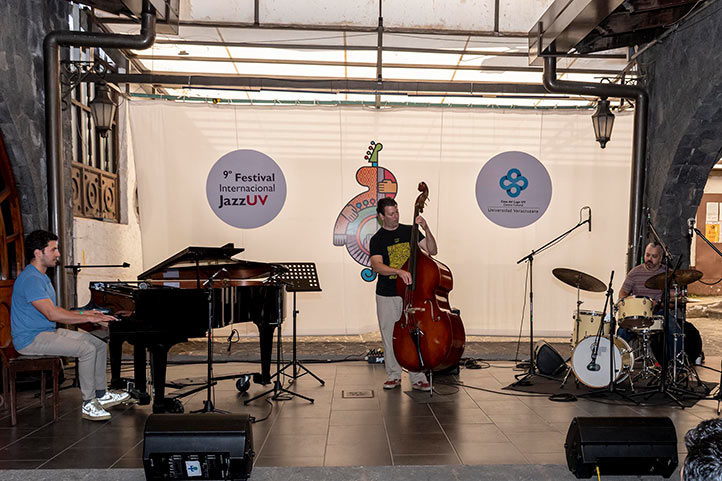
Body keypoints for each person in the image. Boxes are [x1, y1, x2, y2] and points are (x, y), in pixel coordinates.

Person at [10, 230, 129, 421]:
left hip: (45, 332)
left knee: (98, 343)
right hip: (30, 339)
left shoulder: (41, 277)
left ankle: (101, 394)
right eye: (53, 249)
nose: (58, 254)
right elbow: (52, 313)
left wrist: (87, 313)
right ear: (38, 253)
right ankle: (89, 403)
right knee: (87, 348)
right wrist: (87, 318)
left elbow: (53, 309)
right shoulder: (31, 279)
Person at [369, 197, 437, 392]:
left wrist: (426, 228)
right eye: (391, 214)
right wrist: (398, 271)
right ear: (382, 216)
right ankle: (393, 375)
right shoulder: (378, 239)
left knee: (416, 335)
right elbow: (377, 266)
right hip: (388, 293)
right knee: (390, 335)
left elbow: (433, 250)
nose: (395, 216)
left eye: (397, 212)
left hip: (413, 293)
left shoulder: (410, 231)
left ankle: (418, 376)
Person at [616, 242, 683, 366]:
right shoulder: (635, 272)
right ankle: (619, 366)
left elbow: (674, 301)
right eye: (647, 255)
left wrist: (661, 303)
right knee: (621, 333)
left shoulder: (668, 274)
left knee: (676, 333)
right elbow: (623, 291)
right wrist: (625, 302)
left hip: (659, 313)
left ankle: (676, 370)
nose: (649, 259)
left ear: (661, 258)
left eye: (654, 256)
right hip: (637, 313)